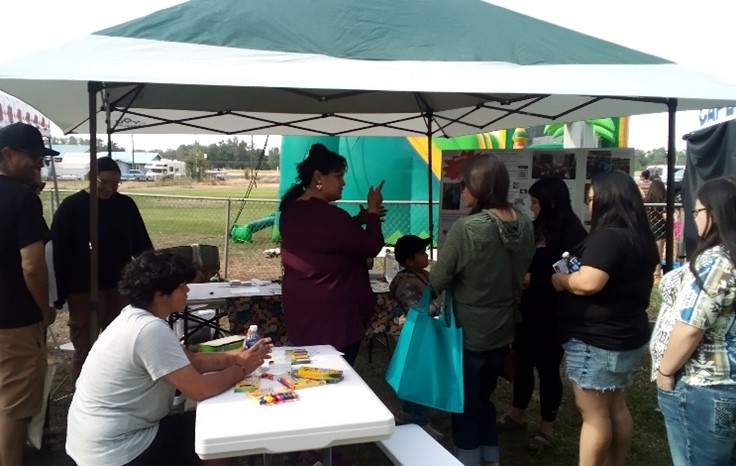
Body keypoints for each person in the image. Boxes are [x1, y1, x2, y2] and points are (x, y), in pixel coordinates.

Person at [66, 251, 273, 466]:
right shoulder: (149, 330)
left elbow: (194, 361)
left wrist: (237, 357)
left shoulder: (136, 316)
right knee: (217, 432)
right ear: (159, 295)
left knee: (207, 425)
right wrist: (242, 369)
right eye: (181, 286)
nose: (187, 290)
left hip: (100, 440)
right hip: (116, 450)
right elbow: (199, 389)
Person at [428, 155, 535, 466]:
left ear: (478, 186)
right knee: (484, 396)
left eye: (464, 185)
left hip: (468, 329)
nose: (461, 191)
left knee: (464, 399)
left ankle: (468, 457)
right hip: (504, 325)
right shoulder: (526, 223)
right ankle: (491, 454)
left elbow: (438, 278)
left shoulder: (469, 229)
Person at [551, 169, 659, 466]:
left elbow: (588, 282)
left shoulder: (608, 237)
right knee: (615, 407)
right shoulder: (639, 236)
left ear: (605, 200)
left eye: (590, 198)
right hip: (625, 335)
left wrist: (562, 282)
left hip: (597, 340)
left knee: (594, 415)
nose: (588, 204)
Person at [650, 176, 736, 465]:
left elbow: (690, 328)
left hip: (705, 386)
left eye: (697, 212)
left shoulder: (716, 262)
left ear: (714, 213)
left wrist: (664, 372)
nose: (695, 219)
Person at [497, 177, 588, 451]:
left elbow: (572, 273)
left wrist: (533, 280)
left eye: (535, 202)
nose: (531, 207)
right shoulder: (536, 226)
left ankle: (546, 428)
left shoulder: (573, 232)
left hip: (553, 312)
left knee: (547, 369)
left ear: (550, 202)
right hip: (527, 310)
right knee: (523, 362)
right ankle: (518, 414)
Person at [279, 143, 384, 366]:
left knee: (310, 374)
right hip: (333, 320)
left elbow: (323, 241)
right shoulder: (330, 216)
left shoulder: (290, 212)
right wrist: (373, 211)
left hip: (303, 312)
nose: (343, 182)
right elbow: (372, 245)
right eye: (338, 176)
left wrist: (357, 221)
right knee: (335, 378)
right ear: (318, 177)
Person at [52, 156, 153, 381]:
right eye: (103, 182)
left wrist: (152, 276)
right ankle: (82, 393)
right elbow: (59, 253)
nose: (109, 188)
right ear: (90, 178)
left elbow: (142, 246)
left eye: (115, 184)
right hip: (83, 289)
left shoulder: (125, 205)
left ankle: (114, 388)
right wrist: (59, 294)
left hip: (120, 286)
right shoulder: (71, 207)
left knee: (118, 344)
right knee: (85, 347)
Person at [0, 122, 58, 466]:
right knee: (15, 406)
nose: (39, 166)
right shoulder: (21, 199)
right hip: (15, 320)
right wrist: (44, 309)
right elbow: (32, 266)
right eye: (34, 158)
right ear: (7, 155)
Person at [388, 234, 443, 440]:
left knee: (413, 378)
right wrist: (440, 301)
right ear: (409, 261)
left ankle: (407, 412)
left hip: (421, 336)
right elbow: (418, 311)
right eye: (421, 253)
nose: (426, 255)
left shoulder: (421, 275)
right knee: (420, 379)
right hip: (411, 338)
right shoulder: (407, 283)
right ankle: (421, 421)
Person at [645, 179, 667, 277]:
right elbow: (666, 216)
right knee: (658, 251)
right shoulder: (663, 201)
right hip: (660, 230)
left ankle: (648, 271)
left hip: (647, 228)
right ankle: (657, 273)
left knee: (648, 251)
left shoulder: (647, 200)